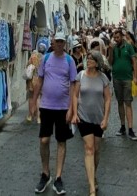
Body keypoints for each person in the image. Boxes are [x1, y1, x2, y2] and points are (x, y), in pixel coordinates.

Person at [32, 31, 78, 195]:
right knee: (44, 140)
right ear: (53, 42)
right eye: (57, 41)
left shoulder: (69, 60)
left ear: (64, 43)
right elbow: (40, 80)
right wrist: (34, 101)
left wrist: (72, 109)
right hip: (46, 106)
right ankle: (46, 173)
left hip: (63, 108)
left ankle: (58, 177)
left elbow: (73, 86)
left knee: (61, 141)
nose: (59, 44)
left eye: (61, 41)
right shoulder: (46, 59)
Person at [76, 50, 111, 196]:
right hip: (83, 117)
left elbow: (108, 99)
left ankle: (93, 174)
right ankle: (91, 188)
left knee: (96, 150)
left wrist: (106, 118)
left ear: (97, 63)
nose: (88, 61)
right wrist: (73, 112)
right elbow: (74, 94)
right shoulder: (81, 76)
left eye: (91, 59)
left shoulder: (103, 78)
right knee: (89, 148)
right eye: (87, 59)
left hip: (98, 118)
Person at [107, 28, 137, 139]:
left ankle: (130, 129)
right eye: (114, 38)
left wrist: (135, 77)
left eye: (117, 37)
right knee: (120, 103)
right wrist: (110, 50)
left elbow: (134, 62)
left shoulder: (129, 47)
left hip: (127, 79)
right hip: (116, 79)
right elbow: (110, 62)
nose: (116, 39)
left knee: (128, 103)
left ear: (122, 37)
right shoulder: (113, 48)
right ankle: (122, 126)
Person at [26, 39, 49, 122]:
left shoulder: (33, 56)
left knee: (31, 97)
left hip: (32, 79)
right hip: (40, 80)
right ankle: (39, 117)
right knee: (38, 98)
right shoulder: (45, 58)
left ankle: (30, 115)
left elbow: (27, 66)